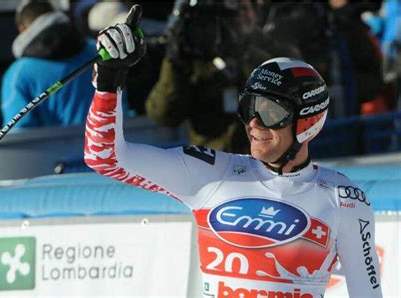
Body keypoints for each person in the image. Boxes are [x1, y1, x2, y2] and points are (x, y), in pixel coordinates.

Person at [84, 5, 383, 298]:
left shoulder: (343, 198)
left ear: (308, 122)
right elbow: (105, 157)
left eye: (269, 112)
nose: (253, 123)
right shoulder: (211, 173)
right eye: (248, 108)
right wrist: (109, 82)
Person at [146, 0, 301, 154]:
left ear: (255, 12)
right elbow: (164, 115)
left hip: (265, 161)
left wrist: (243, 51)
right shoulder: (194, 61)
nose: (238, 17)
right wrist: (174, 60)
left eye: (242, 9)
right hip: (211, 163)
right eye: (231, 13)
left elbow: (296, 99)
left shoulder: (273, 51)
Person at [0, 0, 96, 128]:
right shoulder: (99, 52)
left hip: (56, 147)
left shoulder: (18, 74)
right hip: (113, 144)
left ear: (21, 29)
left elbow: (19, 135)